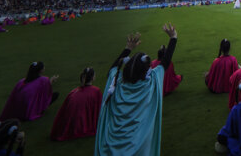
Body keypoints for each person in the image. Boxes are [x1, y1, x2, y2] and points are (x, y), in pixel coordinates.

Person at [95, 23, 178, 155]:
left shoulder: (116, 82)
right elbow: (165, 63)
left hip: (111, 144)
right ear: (146, 71)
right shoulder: (149, 84)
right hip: (137, 146)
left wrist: (128, 49)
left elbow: (113, 68)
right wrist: (173, 38)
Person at [50, 67, 102, 141]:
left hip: (70, 123)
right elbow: (99, 110)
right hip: (80, 124)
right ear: (93, 78)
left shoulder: (74, 91)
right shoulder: (96, 91)